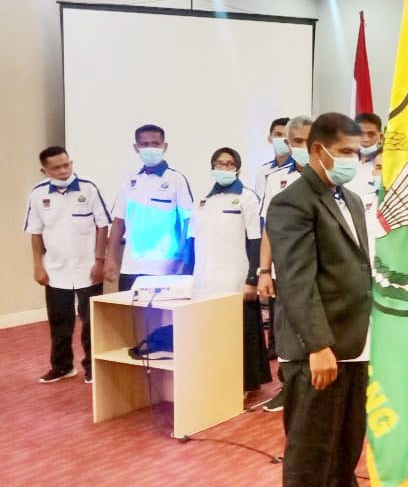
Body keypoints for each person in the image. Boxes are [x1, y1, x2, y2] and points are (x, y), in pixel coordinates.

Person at [267, 112, 372, 487]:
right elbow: (297, 281)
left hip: (354, 345)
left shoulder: (353, 200)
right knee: (311, 457)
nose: (352, 160)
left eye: (356, 152)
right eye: (344, 152)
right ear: (317, 150)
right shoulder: (291, 203)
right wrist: (318, 345)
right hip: (317, 350)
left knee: (345, 451)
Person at [26, 146, 110, 384]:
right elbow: (35, 232)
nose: (63, 170)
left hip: (88, 267)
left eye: (66, 164)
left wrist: (100, 261)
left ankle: (93, 366)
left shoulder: (89, 188)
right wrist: (38, 265)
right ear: (44, 170)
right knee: (59, 320)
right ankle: (62, 366)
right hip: (55, 269)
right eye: (56, 168)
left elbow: (102, 225)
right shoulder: (37, 194)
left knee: (91, 321)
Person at [188, 147, 270, 393]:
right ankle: (217, 378)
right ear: (212, 167)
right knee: (212, 334)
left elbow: (256, 240)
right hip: (205, 279)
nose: (224, 168)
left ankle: (243, 383)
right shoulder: (203, 199)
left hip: (236, 279)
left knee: (240, 333)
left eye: (229, 164)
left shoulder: (247, 197)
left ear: (238, 168)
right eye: (219, 163)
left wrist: (252, 278)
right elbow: (193, 239)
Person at [258, 115, 313, 413]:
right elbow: (269, 227)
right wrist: (264, 270)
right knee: (285, 333)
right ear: (288, 144)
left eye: (308, 140)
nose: (302, 146)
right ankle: (288, 387)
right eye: (297, 141)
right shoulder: (276, 179)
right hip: (285, 270)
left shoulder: (331, 175)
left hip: (320, 270)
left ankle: (316, 387)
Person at [104, 124, 193, 291]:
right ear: (136, 148)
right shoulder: (128, 181)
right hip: (131, 267)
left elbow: (188, 222)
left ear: (164, 146)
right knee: (128, 308)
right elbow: (118, 222)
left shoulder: (176, 179)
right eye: (144, 144)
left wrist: (183, 258)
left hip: (165, 268)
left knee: (163, 309)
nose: (150, 148)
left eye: (155, 144)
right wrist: (110, 259)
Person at [255, 117, 291, 199]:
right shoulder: (262, 171)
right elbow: (260, 201)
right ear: (270, 138)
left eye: (287, 135)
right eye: (279, 135)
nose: (283, 139)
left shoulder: (300, 168)